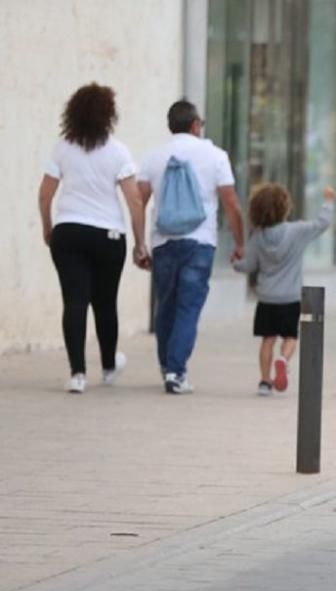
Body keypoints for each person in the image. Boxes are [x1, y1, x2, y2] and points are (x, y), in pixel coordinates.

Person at [38, 82, 144, 393]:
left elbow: (45, 195)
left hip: (68, 231)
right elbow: (135, 200)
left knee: (74, 301)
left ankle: (77, 374)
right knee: (105, 302)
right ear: (108, 114)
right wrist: (140, 242)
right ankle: (109, 367)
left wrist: (48, 226)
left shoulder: (62, 148)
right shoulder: (117, 150)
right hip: (108, 235)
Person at [137, 100, 245, 394]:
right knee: (188, 307)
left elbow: (139, 201)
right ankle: (176, 371)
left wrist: (139, 243)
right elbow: (231, 203)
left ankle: (167, 365)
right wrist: (239, 242)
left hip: (163, 241)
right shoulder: (216, 156)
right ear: (196, 124)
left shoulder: (153, 157)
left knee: (166, 306)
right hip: (200, 242)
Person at [232, 184, 335, 395]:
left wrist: (235, 262)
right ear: (284, 208)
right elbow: (322, 223)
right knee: (290, 337)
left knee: (267, 339)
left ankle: (264, 381)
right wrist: (328, 202)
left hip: (267, 297)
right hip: (290, 297)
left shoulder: (258, 236)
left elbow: (248, 264)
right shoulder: (297, 231)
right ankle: (284, 358)